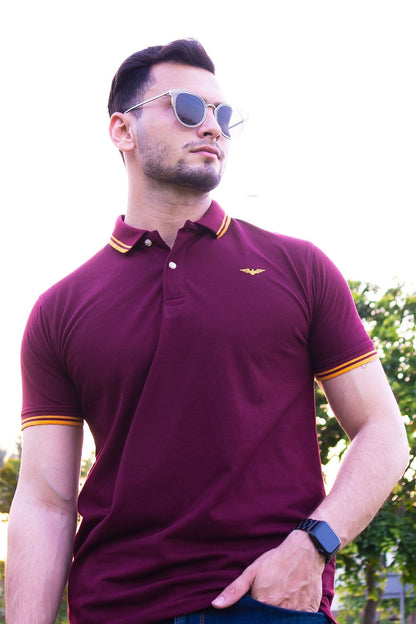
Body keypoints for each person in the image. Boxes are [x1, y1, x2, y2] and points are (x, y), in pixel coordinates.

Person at [6, 39, 409, 624]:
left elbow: (384, 432)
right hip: (116, 608)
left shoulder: (300, 267)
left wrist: (312, 546)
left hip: (270, 603)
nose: (213, 127)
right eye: (188, 107)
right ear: (122, 130)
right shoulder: (59, 310)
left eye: (223, 115)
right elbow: (46, 502)